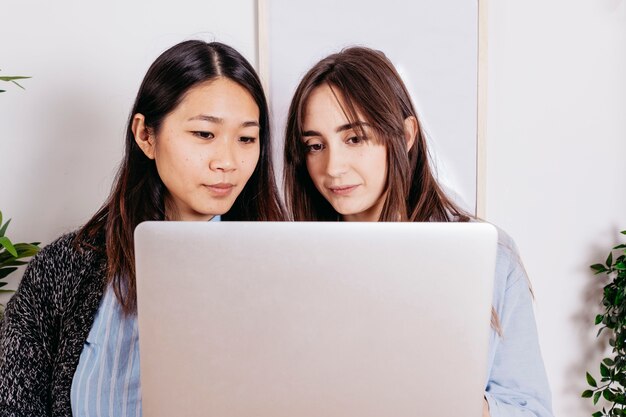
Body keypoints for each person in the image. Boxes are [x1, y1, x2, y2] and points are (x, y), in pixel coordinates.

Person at [0, 40, 284, 417]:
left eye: (246, 138)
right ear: (146, 136)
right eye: (204, 134)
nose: (228, 161)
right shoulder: (64, 267)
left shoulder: (281, 271)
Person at [283, 46, 553, 417]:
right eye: (315, 145)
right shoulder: (286, 260)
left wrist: (451, 399)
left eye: (355, 138)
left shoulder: (491, 256)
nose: (333, 167)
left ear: (405, 134)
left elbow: (532, 410)